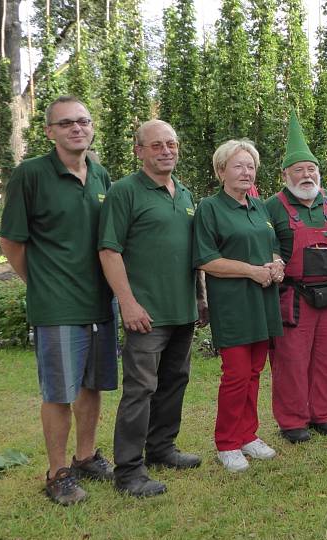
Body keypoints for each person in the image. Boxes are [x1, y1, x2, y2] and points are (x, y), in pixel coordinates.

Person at [0, 96, 117, 505]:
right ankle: (57, 472)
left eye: (83, 121)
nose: (77, 129)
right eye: (66, 123)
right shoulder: (30, 175)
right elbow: (12, 242)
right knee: (59, 392)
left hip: (100, 302)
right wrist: (42, 282)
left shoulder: (100, 175)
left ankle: (85, 456)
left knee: (91, 385)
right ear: (49, 131)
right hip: (58, 306)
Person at [99, 120, 204, 497]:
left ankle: (161, 448)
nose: (166, 150)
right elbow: (109, 250)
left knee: (175, 381)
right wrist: (127, 303)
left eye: (171, 144)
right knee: (140, 389)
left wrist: (200, 299)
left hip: (182, 310)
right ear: (139, 151)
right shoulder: (125, 192)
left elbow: (194, 254)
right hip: (146, 312)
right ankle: (128, 471)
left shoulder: (187, 195)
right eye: (156, 145)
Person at [193, 139, 283, 472]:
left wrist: (277, 266)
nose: (246, 172)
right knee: (235, 374)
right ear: (221, 171)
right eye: (238, 166)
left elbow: (272, 248)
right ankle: (227, 443)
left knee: (255, 372)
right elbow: (206, 259)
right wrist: (251, 271)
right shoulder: (210, 208)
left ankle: (248, 435)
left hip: (263, 300)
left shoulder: (259, 207)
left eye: (250, 166)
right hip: (233, 303)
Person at [265, 110, 327, 443]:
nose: (307, 175)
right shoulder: (272, 206)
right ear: (286, 174)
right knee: (291, 362)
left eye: (311, 169)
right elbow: (261, 243)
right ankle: (293, 421)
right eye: (299, 170)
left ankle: (322, 414)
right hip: (293, 298)